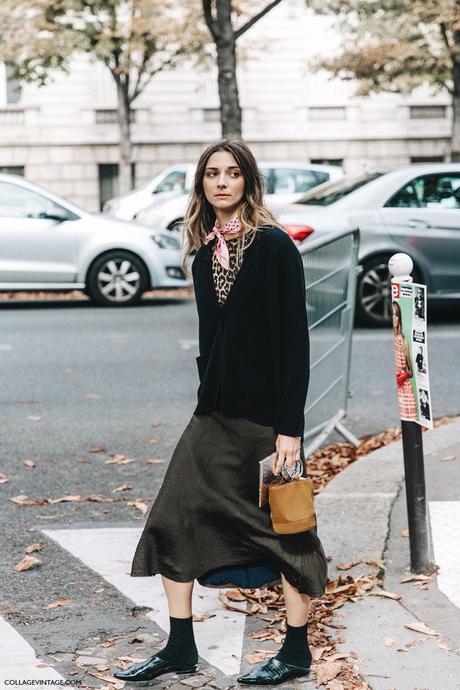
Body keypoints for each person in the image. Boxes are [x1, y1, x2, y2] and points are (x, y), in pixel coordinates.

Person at [114, 139, 328, 686]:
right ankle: (180, 646)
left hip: (266, 421)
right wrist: (207, 386)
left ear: (248, 182)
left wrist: (290, 430)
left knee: (287, 532)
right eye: (213, 174)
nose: (222, 182)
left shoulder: (276, 248)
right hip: (214, 415)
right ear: (201, 185)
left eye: (233, 173)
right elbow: (215, 338)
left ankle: (296, 651)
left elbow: (294, 344)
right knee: (173, 516)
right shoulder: (203, 253)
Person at [392, 301, 417, 420]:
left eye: (396, 314)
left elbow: (411, 372)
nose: (394, 317)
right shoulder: (394, 337)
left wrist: (403, 376)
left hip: (405, 387)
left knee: (410, 418)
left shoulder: (403, 340)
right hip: (399, 385)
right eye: (392, 314)